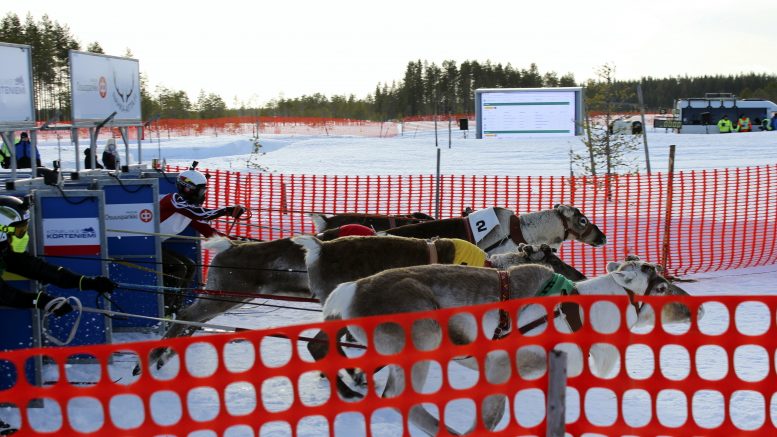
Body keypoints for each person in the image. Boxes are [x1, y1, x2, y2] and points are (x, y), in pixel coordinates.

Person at [0, 195, 116, 317]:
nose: (23, 236)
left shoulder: (3, 247)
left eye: (24, 229)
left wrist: (86, 282)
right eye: (19, 231)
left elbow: (36, 268)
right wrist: (42, 301)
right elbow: (4, 296)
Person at [159, 165, 244, 316]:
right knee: (178, 268)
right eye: (200, 190)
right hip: (141, 245)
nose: (202, 194)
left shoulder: (188, 208)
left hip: (154, 246)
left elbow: (209, 232)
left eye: (204, 190)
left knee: (190, 266)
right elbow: (200, 214)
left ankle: (175, 309)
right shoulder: (173, 200)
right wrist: (227, 210)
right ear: (187, 189)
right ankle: (164, 311)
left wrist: (238, 243)